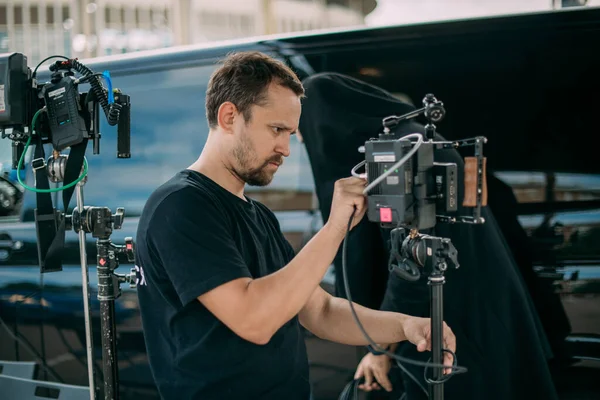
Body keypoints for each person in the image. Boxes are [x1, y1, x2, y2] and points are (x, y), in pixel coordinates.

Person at [133, 52, 457, 400]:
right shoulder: (181, 205)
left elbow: (319, 310)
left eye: (290, 133)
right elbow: (254, 319)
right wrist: (334, 229)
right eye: (276, 130)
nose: (285, 149)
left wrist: (406, 326)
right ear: (229, 116)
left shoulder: (257, 215)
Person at [297, 72, 560, 400]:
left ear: (325, 117)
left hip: (444, 329)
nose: (301, 140)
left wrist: (380, 351)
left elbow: (412, 263)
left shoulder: (398, 154)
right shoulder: (416, 141)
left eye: (299, 127)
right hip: (472, 313)